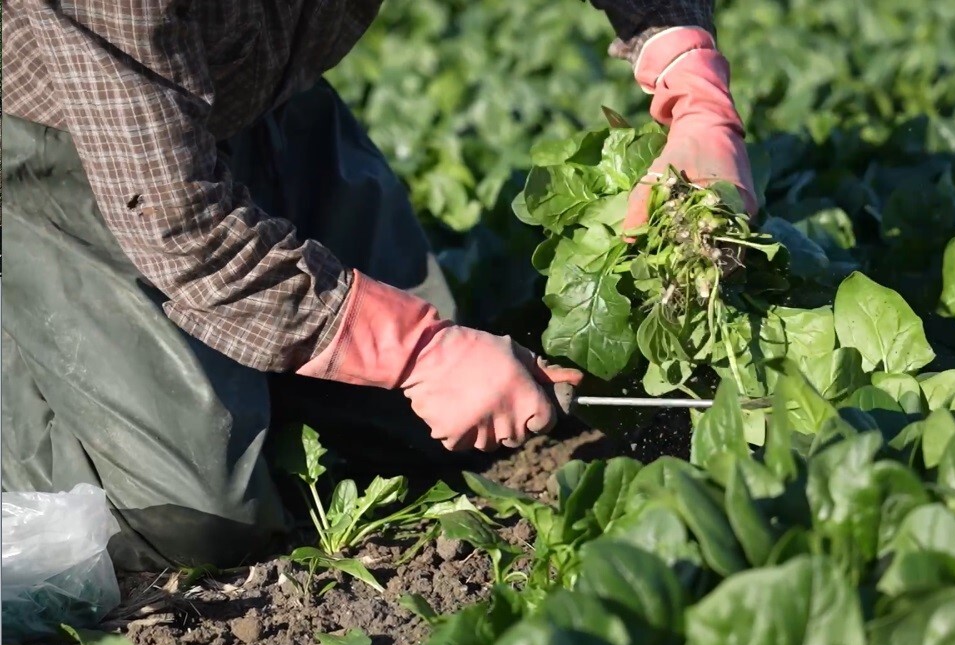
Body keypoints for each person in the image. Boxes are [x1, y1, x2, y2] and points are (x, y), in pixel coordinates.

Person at [0, 0, 757, 571]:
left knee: (403, 434)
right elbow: (177, 220)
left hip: (256, 90)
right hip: (66, 138)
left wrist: (686, 75)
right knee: (198, 522)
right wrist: (417, 350)